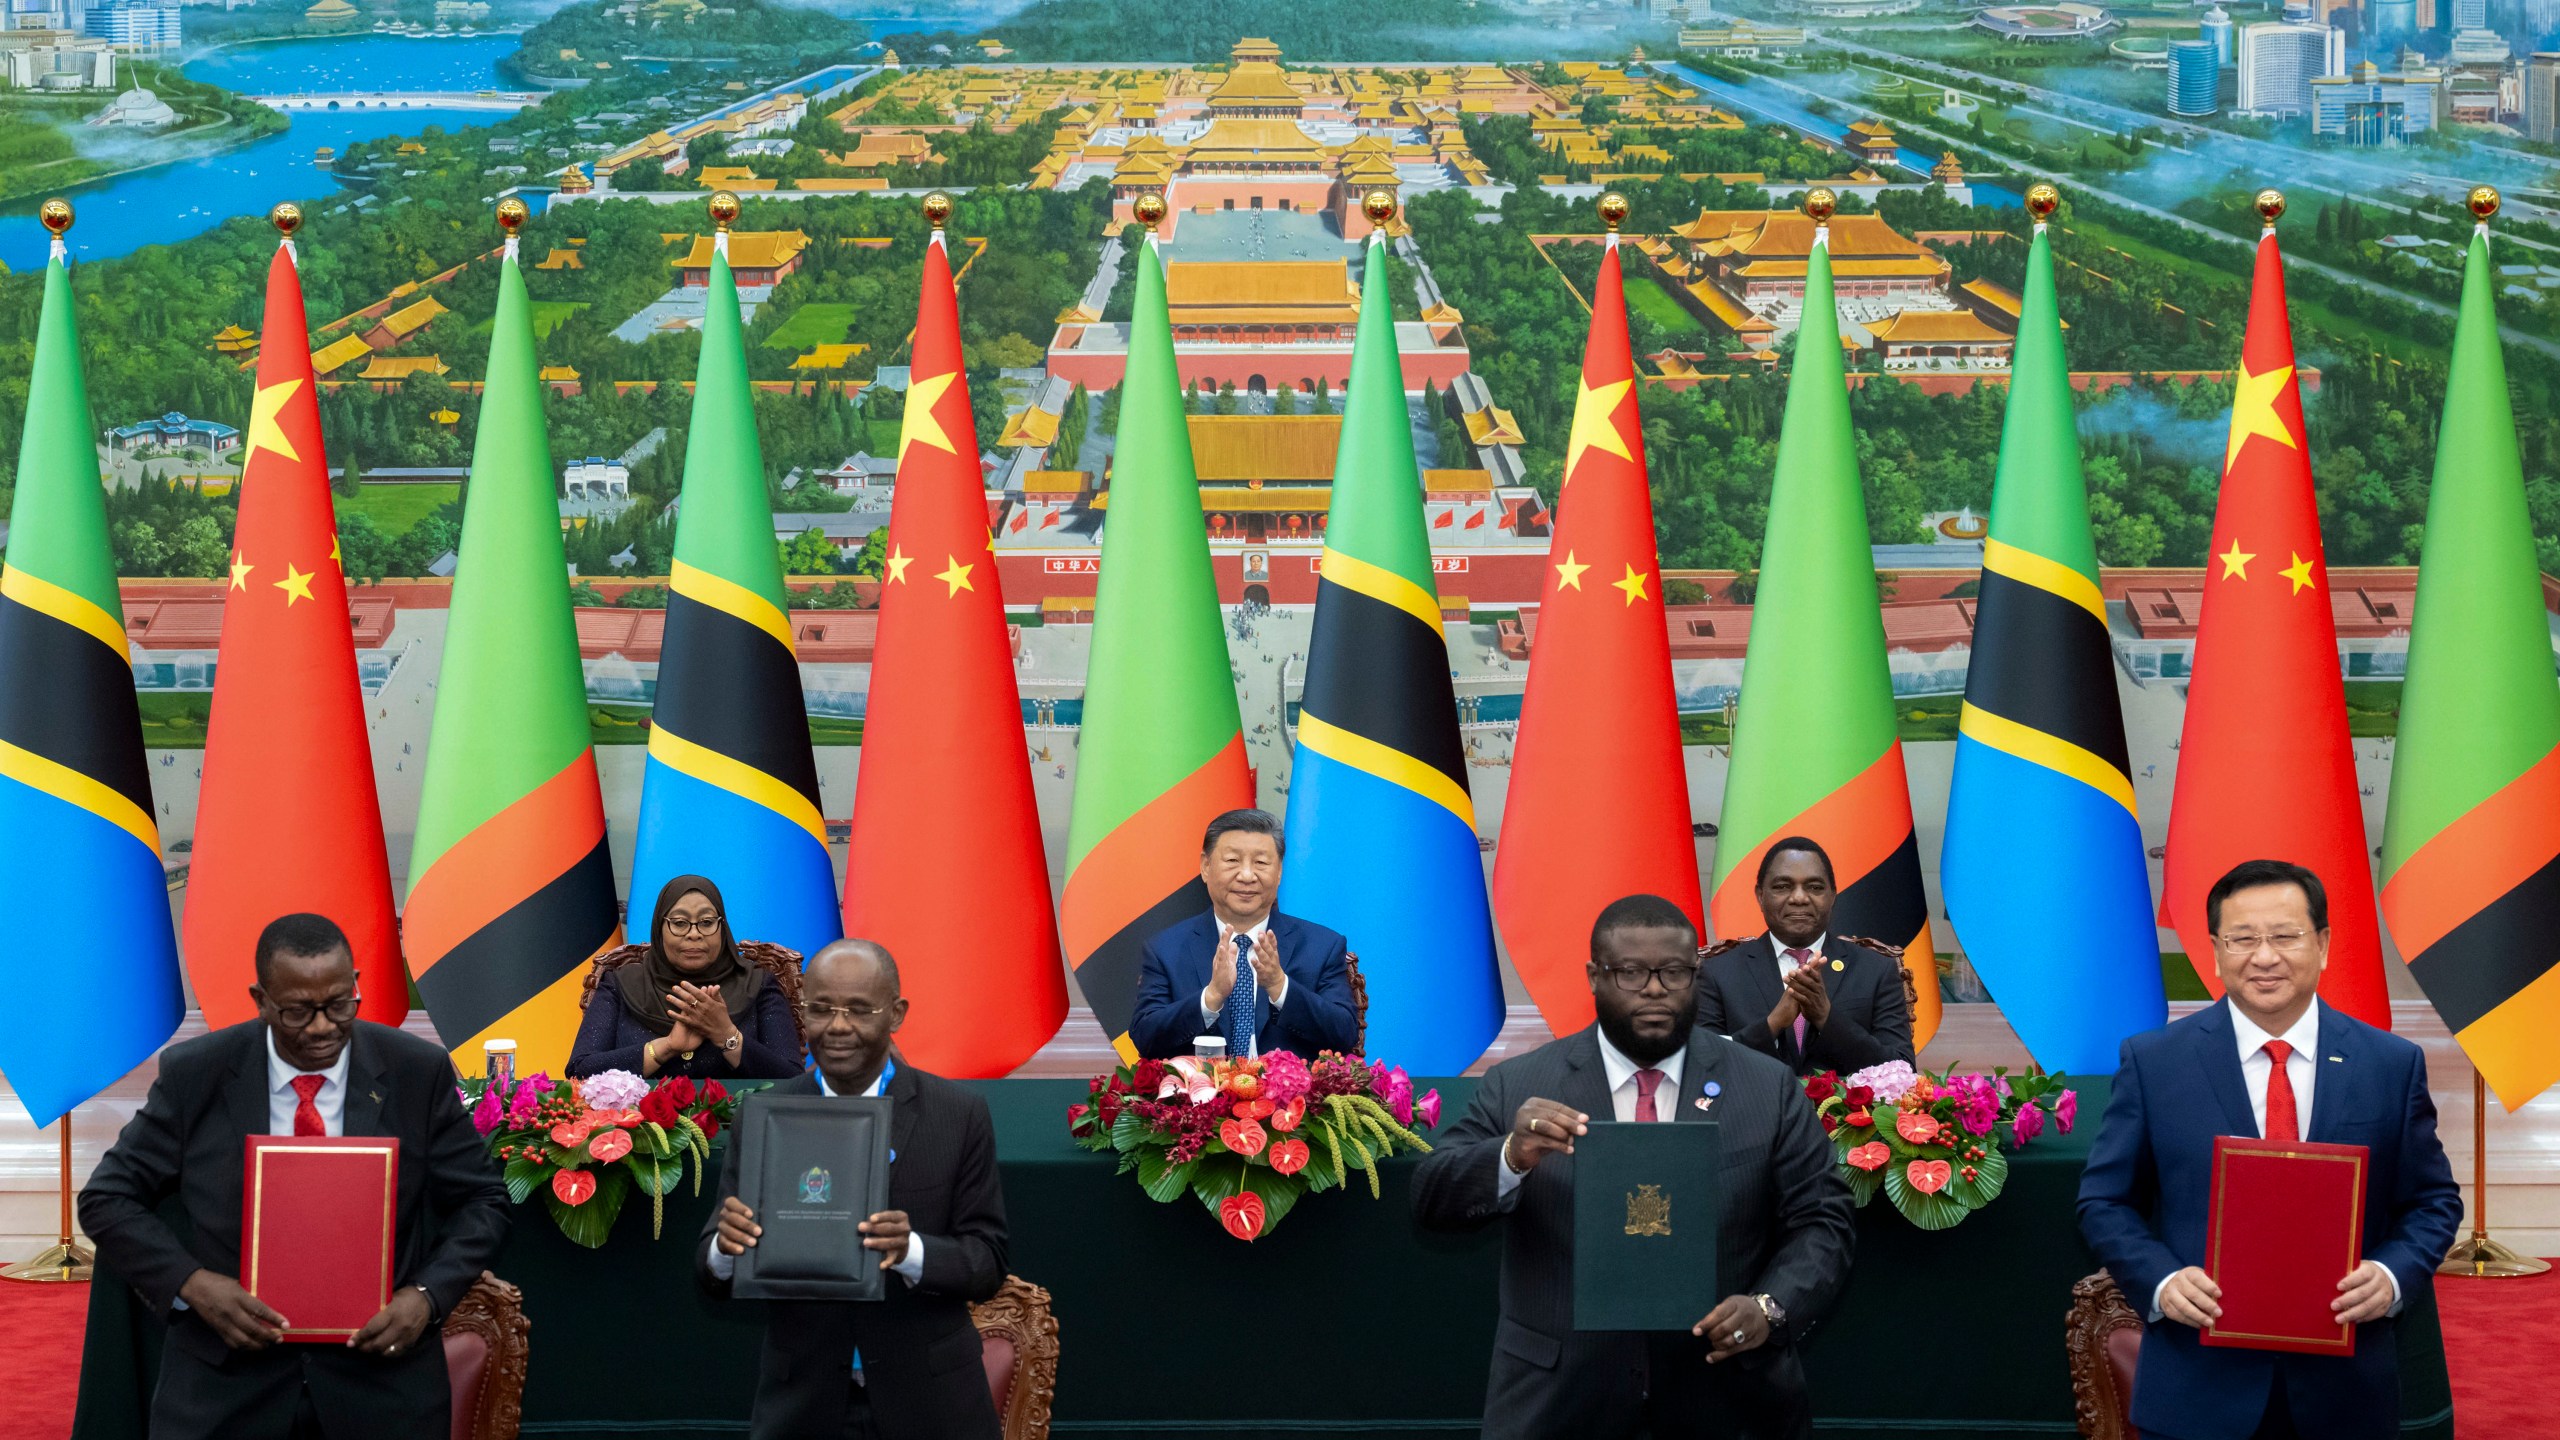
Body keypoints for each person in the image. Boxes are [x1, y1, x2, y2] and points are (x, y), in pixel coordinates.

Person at [1412, 895, 1856, 1440]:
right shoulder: (1520, 1085)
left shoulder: (1766, 1087)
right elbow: (1431, 1198)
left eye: (1674, 971)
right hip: (1557, 1401)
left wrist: (1770, 1307)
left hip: (1728, 1401)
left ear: (1696, 975)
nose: (1654, 988)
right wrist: (1511, 1156)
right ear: (1594, 976)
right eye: (1630, 972)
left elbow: (1824, 1220)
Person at [78, 914, 509, 1440]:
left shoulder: (415, 1070)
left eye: (340, 1004)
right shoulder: (198, 1073)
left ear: (355, 985)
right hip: (225, 1378)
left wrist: (425, 1296)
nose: (324, 1026)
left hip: (380, 1378)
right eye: (298, 1012)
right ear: (260, 998)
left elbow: (483, 1199)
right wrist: (192, 1284)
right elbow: (107, 1198)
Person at [2077, 859, 2462, 1440]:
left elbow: (2433, 1201)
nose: (2264, 957)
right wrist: (2160, 1281)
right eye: (2242, 939)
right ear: (2214, 950)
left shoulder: (2390, 1064)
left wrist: (2391, 1274)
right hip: (2196, 1386)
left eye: (2285, 936)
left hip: (2345, 1389)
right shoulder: (2154, 1063)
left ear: (2324, 944)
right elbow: (2104, 1201)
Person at [701, 939, 1007, 1440]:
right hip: (802, 1406)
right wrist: (724, 1248)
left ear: (896, 1013)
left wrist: (909, 1251)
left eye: (859, 1010)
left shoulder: (958, 1114)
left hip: (932, 1407)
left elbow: (988, 1262)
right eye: (820, 1009)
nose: (838, 1027)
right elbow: (708, 1272)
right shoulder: (763, 1114)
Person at [1127, 808, 1359, 1060]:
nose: (1247, 875)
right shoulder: (1165, 949)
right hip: (1201, 1098)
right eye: (1232, 861)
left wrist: (1280, 986)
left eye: (1260, 863)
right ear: (1206, 867)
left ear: (1279, 870)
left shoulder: (1321, 946)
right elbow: (1145, 1038)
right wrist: (1211, 996)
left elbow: (1345, 1035)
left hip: (1293, 1099)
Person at [1694, 837, 1914, 1076]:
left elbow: (1901, 1071)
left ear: (1833, 895)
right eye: (1782, 886)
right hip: (1753, 1111)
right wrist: (1772, 1025)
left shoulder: (1876, 970)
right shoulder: (1717, 972)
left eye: (1815, 887)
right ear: (1760, 895)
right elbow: (1700, 1065)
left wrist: (1826, 1017)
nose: (1799, 898)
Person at [569, 874, 804, 1080]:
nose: (694, 934)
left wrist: (726, 1035)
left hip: (741, 1127)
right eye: (679, 923)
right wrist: (666, 1047)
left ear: (723, 928)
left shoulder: (757, 984)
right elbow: (580, 1071)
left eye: (707, 922)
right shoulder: (621, 984)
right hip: (640, 1127)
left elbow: (791, 1078)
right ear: (659, 929)